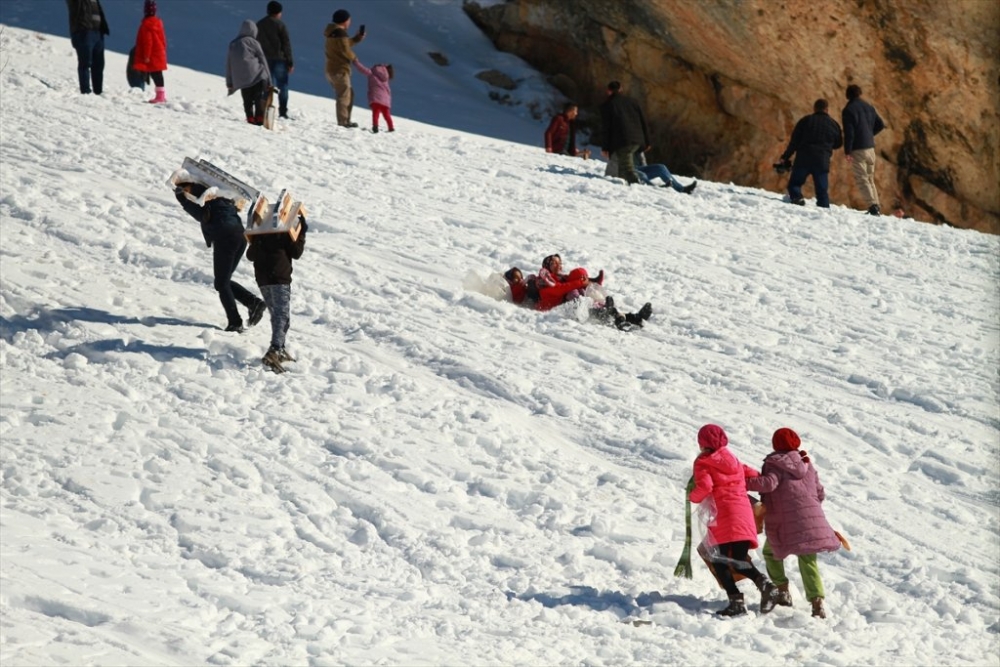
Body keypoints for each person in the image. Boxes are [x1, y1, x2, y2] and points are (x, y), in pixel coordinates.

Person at [745, 428, 842, 619]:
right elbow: (820, 492)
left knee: (771, 554)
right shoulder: (807, 463)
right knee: (808, 560)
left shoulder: (774, 463)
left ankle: (782, 591)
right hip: (808, 521)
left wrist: (743, 481)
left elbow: (769, 484)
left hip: (783, 521)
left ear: (775, 444)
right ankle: (817, 603)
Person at [689, 424, 779, 616]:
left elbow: (705, 486)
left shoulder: (703, 462)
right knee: (736, 558)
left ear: (702, 443)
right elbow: (753, 474)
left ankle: (739, 600)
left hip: (725, 516)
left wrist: (692, 496)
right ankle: (763, 586)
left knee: (718, 559)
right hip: (744, 513)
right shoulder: (732, 459)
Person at [174, 182, 267, 332]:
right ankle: (253, 303)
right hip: (240, 238)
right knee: (223, 281)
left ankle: (235, 322)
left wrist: (183, 200)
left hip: (225, 238)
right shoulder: (224, 201)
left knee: (221, 283)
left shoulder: (207, 203)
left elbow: (199, 214)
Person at [504, 263, 651, 330]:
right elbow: (558, 289)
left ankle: (633, 318)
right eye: (516, 278)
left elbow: (564, 282)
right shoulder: (539, 286)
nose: (558, 265)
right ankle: (615, 316)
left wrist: (589, 281)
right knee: (580, 298)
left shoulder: (551, 282)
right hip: (559, 308)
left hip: (567, 304)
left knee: (587, 297)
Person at [246, 215, 308, 371]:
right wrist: (301, 233)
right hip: (279, 278)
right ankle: (274, 350)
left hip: (263, 279)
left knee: (277, 315)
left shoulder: (259, 234)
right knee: (281, 315)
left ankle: (279, 348)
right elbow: (297, 253)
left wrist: (256, 241)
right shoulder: (283, 232)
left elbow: (250, 255)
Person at [776, 99, 843, 208]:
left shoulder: (805, 121)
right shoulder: (834, 124)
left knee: (794, 184)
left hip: (803, 159)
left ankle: (797, 198)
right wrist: (827, 146)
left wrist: (785, 157)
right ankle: (824, 212)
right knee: (822, 191)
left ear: (815, 108)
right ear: (827, 109)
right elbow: (838, 144)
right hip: (822, 161)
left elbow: (794, 142)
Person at [841, 84, 886, 215]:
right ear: (860, 93)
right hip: (870, 148)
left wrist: (847, 151)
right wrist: (869, 134)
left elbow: (849, 133)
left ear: (848, 95)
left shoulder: (848, 110)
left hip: (858, 148)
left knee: (862, 178)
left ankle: (872, 206)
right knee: (870, 178)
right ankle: (876, 204)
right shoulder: (869, 107)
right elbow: (881, 124)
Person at [600, 81, 649, 185]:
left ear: (608, 91)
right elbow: (643, 121)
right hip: (638, 141)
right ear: (621, 89)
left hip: (623, 142)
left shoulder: (607, 105)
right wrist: (647, 141)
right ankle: (641, 184)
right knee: (631, 166)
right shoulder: (633, 101)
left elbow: (606, 128)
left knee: (627, 169)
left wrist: (605, 147)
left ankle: (639, 186)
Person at [324, 9, 366, 128]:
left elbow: (344, 45)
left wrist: (357, 38)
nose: (350, 22)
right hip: (339, 70)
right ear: (344, 20)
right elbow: (345, 49)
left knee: (349, 94)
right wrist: (355, 59)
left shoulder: (333, 32)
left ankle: (346, 120)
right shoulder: (340, 33)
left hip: (331, 69)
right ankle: (343, 122)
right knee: (344, 96)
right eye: (349, 20)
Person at [226, 19, 272, 125]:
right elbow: (263, 60)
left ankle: (250, 118)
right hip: (258, 75)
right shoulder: (253, 42)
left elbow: (229, 64)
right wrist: (269, 80)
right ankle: (260, 118)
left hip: (242, 79)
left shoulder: (233, 44)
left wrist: (229, 82)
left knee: (247, 99)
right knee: (259, 97)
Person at [256, 1, 294, 119]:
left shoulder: (259, 24)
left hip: (264, 60)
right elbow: (286, 44)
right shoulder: (281, 25)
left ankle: (263, 110)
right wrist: (290, 61)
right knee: (283, 86)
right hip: (279, 59)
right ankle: (282, 112)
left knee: (266, 85)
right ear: (279, 12)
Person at [66, 0, 109, 95]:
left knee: (99, 64)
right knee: (85, 62)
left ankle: (98, 91)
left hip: (98, 32)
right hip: (84, 32)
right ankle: (85, 91)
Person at [133, 0, 167, 104]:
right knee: (158, 73)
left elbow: (148, 41)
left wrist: (146, 56)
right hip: (159, 51)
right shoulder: (158, 23)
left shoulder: (146, 24)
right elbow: (163, 39)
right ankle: (161, 95)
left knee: (155, 74)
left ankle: (160, 96)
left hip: (152, 54)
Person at [353, 61, 394, 133]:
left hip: (376, 98)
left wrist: (355, 61)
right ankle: (391, 128)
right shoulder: (386, 79)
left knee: (376, 113)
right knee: (387, 115)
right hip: (385, 100)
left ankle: (375, 127)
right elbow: (388, 91)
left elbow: (362, 69)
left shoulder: (372, 73)